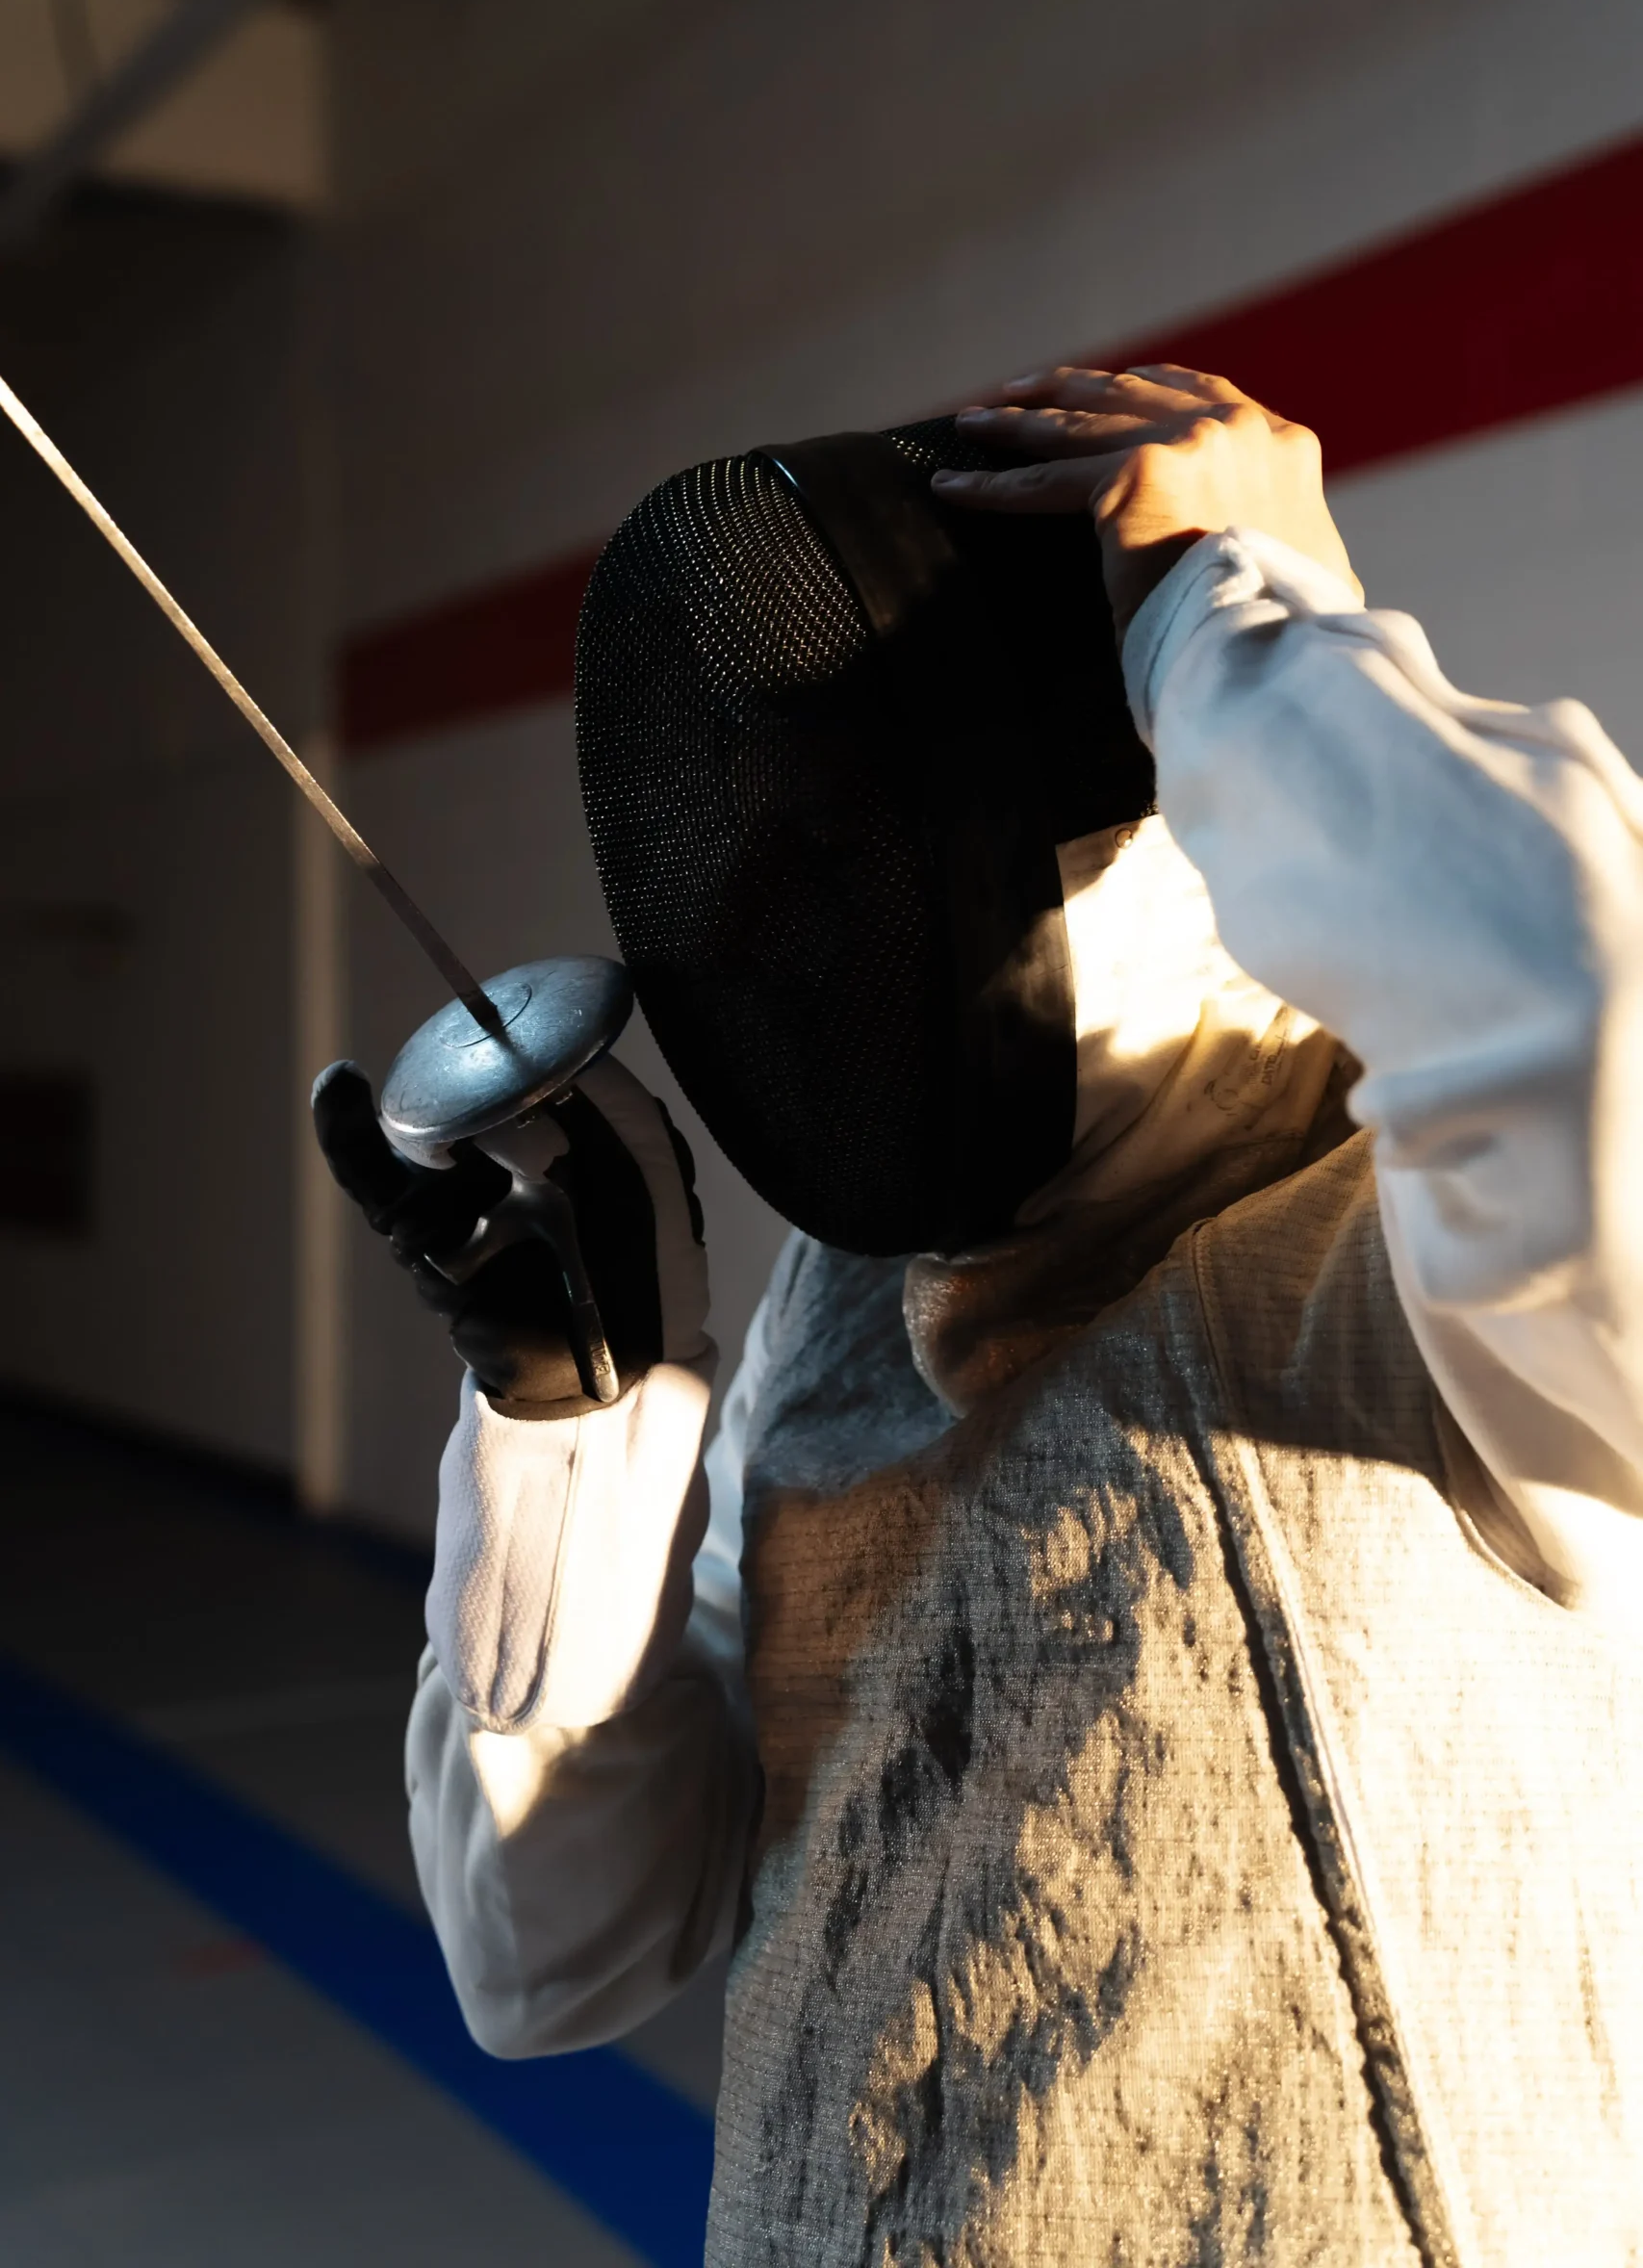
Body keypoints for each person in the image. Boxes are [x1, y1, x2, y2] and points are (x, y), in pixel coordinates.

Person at [319, 366, 1643, 2264]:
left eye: (857, 840)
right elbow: (553, 1954)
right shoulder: (835, 1328)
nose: (791, 925)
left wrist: (1235, 599)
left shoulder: (1434, 1251)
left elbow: (1587, 997)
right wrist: (572, 1440)